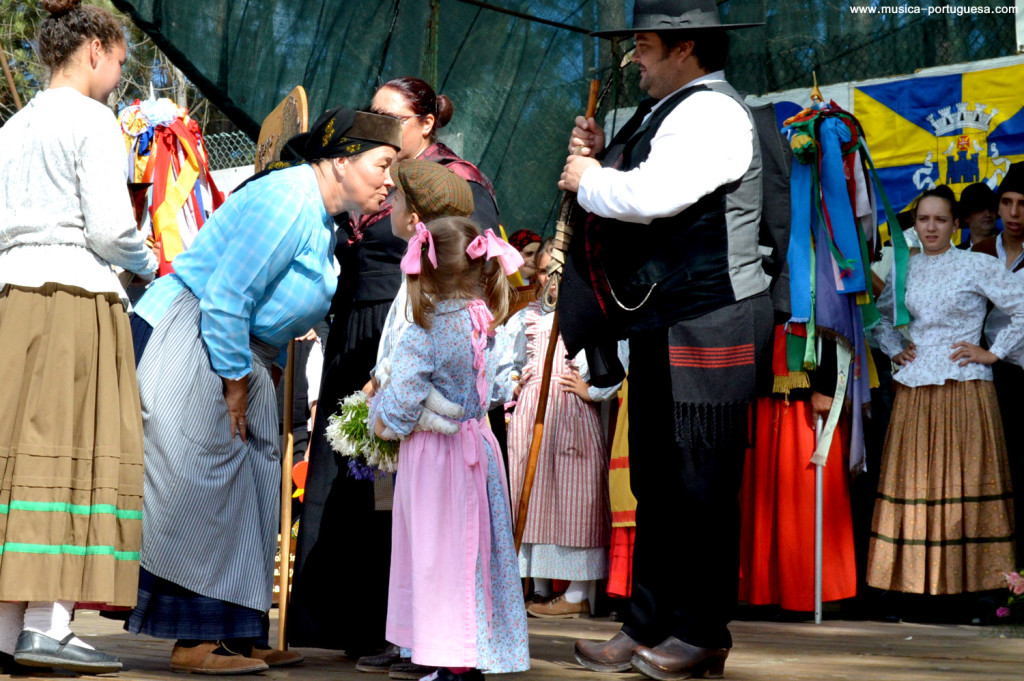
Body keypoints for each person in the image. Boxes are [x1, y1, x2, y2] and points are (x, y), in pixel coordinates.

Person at [126, 107, 401, 674]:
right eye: (382, 165)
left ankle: (237, 636)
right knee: (206, 484)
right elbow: (227, 295)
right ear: (342, 160)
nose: (390, 181)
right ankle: (194, 641)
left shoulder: (322, 218)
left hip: (240, 356)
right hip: (197, 338)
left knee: (251, 487)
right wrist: (235, 383)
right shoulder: (286, 199)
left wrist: (259, 371)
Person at [557, 2, 772, 678]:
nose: (636, 61)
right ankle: (645, 622)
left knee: (701, 485)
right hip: (663, 319)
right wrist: (599, 159)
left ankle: (701, 631)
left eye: (645, 46)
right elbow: (633, 189)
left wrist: (591, 178)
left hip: (713, 317)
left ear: (685, 49)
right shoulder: (665, 112)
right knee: (656, 479)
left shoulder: (714, 113)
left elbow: (653, 195)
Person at [289, 77, 501, 669]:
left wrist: (415, 356)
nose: (378, 124)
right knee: (350, 486)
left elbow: (470, 260)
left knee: (395, 496)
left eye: (391, 116)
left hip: (408, 337)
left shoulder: (452, 179)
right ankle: (353, 622)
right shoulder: (364, 177)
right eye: (371, 115)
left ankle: (410, 633)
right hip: (352, 336)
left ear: (426, 123)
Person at [0, 0, 155, 674]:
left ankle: (7, 629)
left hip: (10, 295)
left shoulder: (12, 126)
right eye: (120, 63)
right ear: (94, 50)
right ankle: (49, 622)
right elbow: (112, 231)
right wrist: (154, 261)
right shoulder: (93, 121)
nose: (118, 77)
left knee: (16, 458)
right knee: (74, 450)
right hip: (73, 294)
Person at [372, 216, 530, 681]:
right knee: (474, 554)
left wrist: (381, 417)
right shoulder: (482, 320)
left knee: (440, 557)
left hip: (438, 461)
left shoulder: (425, 331)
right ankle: (471, 652)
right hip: (477, 445)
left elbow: (398, 409)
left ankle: (450, 660)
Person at [867, 185, 1023, 600]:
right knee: (916, 484)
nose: (930, 227)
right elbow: (878, 318)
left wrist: (993, 353)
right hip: (915, 389)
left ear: (957, 224)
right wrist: (895, 348)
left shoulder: (975, 264)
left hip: (966, 386)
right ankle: (910, 589)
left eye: (939, 219)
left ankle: (974, 591)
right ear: (914, 225)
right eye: (923, 219)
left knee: (965, 485)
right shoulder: (906, 268)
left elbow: (1022, 305)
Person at [506, 242, 624, 618]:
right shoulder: (527, 316)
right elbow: (508, 360)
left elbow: (618, 363)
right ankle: (538, 589)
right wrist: (512, 381)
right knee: (533, 497)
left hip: (571, 415)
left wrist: (593, 390)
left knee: (575, 501)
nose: (551, 281)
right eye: (544, 272)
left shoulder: (589, 315)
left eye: (558, 274)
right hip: (531, 416)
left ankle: (577, 593)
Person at [973, 163, 1024, 557]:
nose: (1013, 213)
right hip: (991, 378)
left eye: (1022, 204)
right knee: (993, 473)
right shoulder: (979, 254)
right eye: (1006, 202)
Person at [959, 182, 999, 248]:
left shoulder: (1014, 249)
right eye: (980, 209)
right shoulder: (955, 256)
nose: (988, 214)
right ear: (966, 217)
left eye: (992, 207)